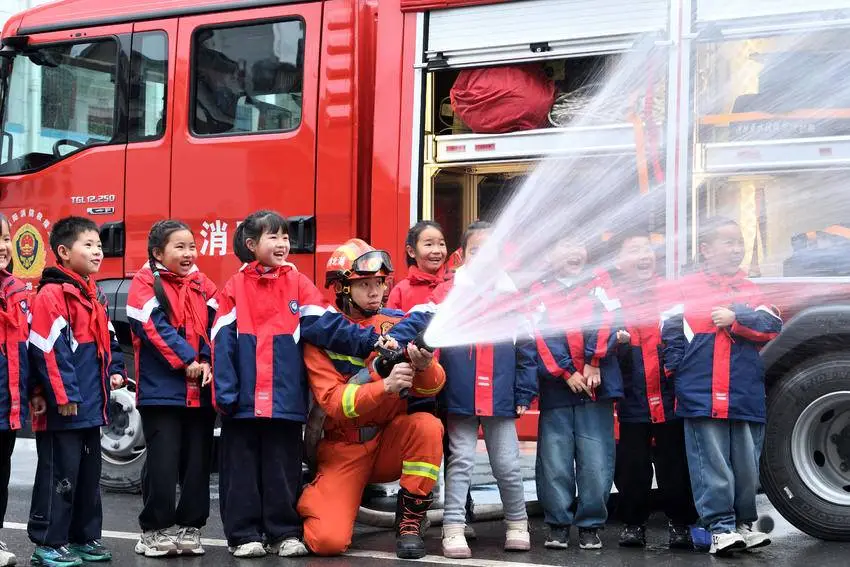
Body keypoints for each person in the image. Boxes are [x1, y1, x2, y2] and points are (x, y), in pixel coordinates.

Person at [211, 211, 391, 559]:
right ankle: (243, 535)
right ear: (251, 245)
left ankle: (283, 533)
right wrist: (226, 393)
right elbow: (222, 341)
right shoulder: (234, 287)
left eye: (285, 237)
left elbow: (329, 327)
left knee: (283, 469)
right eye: (273, 237)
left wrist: (372, 341)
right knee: (241, 471)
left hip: (284, 401)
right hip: (242, 402)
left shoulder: (297, 284)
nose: (282, 244)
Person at [298, 238, 445, 560]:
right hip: (343, 449)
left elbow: (433, 387)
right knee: (327, 542)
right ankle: (311, 496)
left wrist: (423, 367)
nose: (376, 291)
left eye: (379, 283)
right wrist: (385, 387)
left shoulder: (399, 325)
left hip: (390, 442)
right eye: (365, 284)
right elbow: (335, 403)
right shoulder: (323, 335)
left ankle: (409, 522)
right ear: (341, 288)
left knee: (427, 426)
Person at [661, 217, 781, 555]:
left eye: (738, 241)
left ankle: (744, 525)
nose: (736, 248)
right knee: (710, 464)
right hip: (701, 394)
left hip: (742, 393)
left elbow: (773, 324)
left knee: (745, 465)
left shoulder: (750, 289)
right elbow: (668, 333)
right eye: (727, 242)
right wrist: (678, 372)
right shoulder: (684, 288)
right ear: (705, 249)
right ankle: (719, 529)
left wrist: (736, 317)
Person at [27, 216, 126, 567]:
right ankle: (47, 542)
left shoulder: (92, 294)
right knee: (59, 476)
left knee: (87, 477)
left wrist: (115, 370)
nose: (98, 251)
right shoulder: (53, 294)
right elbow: (47, 349)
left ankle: (84, 538)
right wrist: (65, 395)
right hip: (64, 408)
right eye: (89, 245)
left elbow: (109, 340)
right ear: (64, 252)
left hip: (91, 407)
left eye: (99, 245)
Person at [435, 222, 537, 559]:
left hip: (501, 396)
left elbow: (526, 350)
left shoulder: (513, 297)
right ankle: (453, 528)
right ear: (462, 255)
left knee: (507, 464)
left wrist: (524, 393)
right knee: (460, 460)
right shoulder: (448, 292)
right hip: (460, 395)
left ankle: (517, 524)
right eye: (476, 250)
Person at [127, 220, 218, 557]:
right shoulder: (144, 282)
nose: (188, 253)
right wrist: (188, 360)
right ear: (157, 253)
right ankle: (154, 530)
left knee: (197, 463)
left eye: (191, 246)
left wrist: (207, 359)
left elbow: (217, 323)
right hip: (160, 392)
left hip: (201, 391)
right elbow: (152, 326)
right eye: (179, 247)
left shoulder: (202, 283)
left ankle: (190, 527)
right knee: (163, 463)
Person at [608, 229, 697, 549]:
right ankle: (633, 524)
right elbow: (603, 343)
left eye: (647, 249)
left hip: (669, 394)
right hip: (631, 397)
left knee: (675, 461)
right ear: (619, 262)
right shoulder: (612, 296)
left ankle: (681, 523)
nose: (644, 255)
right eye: (634, 250)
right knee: (632, 464)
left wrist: (671, 370)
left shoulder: (670, 292)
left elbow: (678, 338)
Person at [534, 235, 622, 551]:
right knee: (554, 460)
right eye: (564, 244)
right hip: (557, 390)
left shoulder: (601, 283)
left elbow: (610, 320)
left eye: (579, 244)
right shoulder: (539, 291)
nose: (574, 251)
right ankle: (557, 524)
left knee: (596, 459)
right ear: (549, 255)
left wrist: (594, 361)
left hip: (597, 386)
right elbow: (539, 335)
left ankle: (590, 525)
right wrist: (565, 371)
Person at [0, 214, 31, 567]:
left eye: (6, 238)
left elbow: (27, 349)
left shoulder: (17, 290)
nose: (4, 246)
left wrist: (32, 390)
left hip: (7, 403)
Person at [386, 221, 450, 312]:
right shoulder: (400, 291)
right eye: (429, 244)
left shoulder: (456, 283)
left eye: (441, 244)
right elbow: (391, 324)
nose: (437, 250)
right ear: (411, 251)